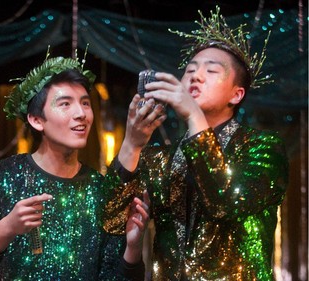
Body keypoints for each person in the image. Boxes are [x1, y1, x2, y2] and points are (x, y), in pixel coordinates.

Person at [103, 6, 289, 281]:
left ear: (237, 95)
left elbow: (225, 201)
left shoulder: (262, 147)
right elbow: (112, 220)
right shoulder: (159, 158)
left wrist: (193, 115)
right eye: (190, 70)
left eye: (211, 71)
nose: (195, 76)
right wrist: (132, 143)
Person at [0, 50, 150, 281]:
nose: (81, 114)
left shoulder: (99, 189)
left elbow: (113, 275)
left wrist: (133, 250)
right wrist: (7, 228)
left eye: (85, 103)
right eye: (65, 104)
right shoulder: (0, 176)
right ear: (36, 120)